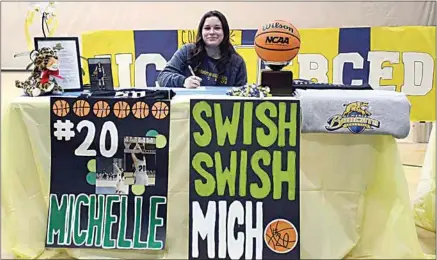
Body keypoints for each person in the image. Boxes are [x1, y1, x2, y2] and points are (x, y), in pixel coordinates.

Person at [157, 10, 247, 88]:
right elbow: (162, 77)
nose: (212, 32)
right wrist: (183, 81)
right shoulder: (187, 51)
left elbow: (242, 93)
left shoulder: (237, 62)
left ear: (225, 32)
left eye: (217, 28)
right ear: (201, 32)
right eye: (207, 28)